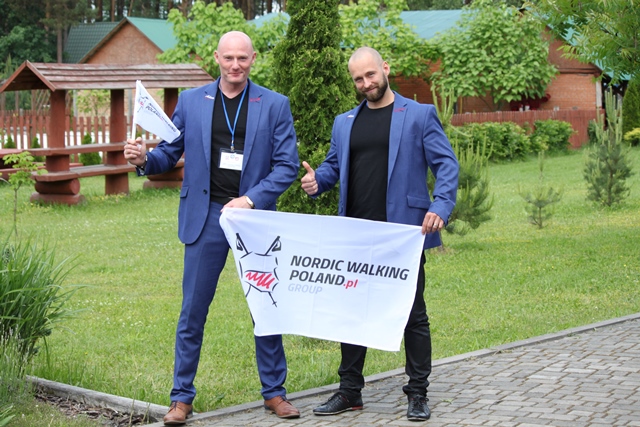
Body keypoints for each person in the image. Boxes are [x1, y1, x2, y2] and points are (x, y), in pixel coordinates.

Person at [124, 31, 301, 425]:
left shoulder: (274, 104)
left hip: (253, 219)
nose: (235, 65)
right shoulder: (191, 101)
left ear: (253, 59)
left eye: (243, 58)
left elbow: (287, 165)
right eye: (229, 58)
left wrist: (251, 199)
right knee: (192, 311)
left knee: (264, 308)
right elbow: (168, 153)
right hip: (205, 218)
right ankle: (181, 399)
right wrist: (143, 159)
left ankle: (275, 393)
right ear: (217, 58)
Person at [301, 47, 459, 422]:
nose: (366, 83)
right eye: (358, 79)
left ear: (385, 68)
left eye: (370, 74)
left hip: (402, 233)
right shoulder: (344, 123)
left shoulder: (419, 115)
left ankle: (417, 393)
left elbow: (446, 164)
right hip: (356, 233)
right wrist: (317, 182)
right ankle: (350, 391)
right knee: (351, 312)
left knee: (412, 314)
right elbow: (334, 167)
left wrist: (440, 205)